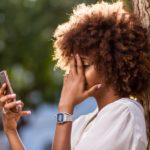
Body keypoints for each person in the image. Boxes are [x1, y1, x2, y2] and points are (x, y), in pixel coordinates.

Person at [0, 1, 150, 150]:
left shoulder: (125, 112)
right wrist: (11, 130)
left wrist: (65, 105)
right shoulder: (82, 122)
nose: (74, 75)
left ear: (112, 65)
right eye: (72, 67)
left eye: (83, 65)